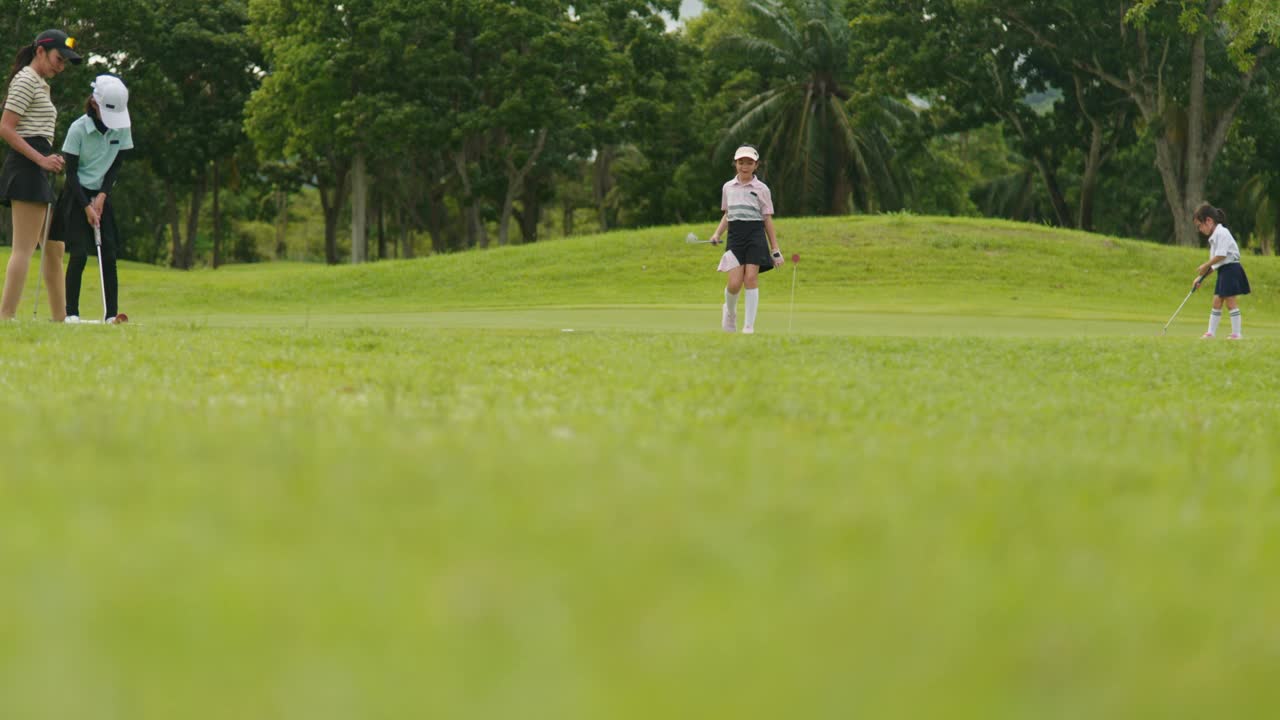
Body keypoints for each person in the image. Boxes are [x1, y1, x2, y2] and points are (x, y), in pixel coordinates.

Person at [0, 29, 81, 320]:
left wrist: (47, 158)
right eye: (58, 59)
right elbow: (6, 128)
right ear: (40, 52)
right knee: (23, 248)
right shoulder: (26, 80)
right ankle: (5, 318)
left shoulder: (40, 83)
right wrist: (41, 160)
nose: (60, 66)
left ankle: (61, 319)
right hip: (26, 167)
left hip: (37, 162)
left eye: (64, 62)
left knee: (54, 246)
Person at [51, 73, 133, 323]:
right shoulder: (78, 129)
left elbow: (116, 165)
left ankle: (111, 315)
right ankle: (72, 313)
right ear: (95, 104)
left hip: (101, 194)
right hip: (76, 195)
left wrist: (102, 196)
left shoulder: (122, 127)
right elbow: (71, 173)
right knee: (78, 254)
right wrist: (86, 205)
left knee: (108, 253)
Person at [709, 145, 781, 334]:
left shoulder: (762, 189)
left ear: (756, 165)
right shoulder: (728, 187)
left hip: (755, 235)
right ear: (735, 164)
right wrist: (717, 234)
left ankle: (748, 326)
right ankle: (730, 312)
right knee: (733, 283)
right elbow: (728, 214)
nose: (745, 166)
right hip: (735, 237)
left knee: (750, 278)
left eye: (749, 163)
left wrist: (775, 249)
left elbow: (767, 219)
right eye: (741, 162)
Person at [1193, 202, 1250, 339]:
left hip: (1231, 269)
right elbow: (1215, 264)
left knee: (1230, 301)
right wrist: (1200, 278)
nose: (1199, 229)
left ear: (1209, 221)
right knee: (1217, 301)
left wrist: (1205, 265)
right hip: (1224, 270)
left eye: (1199, 226)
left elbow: (1221, 256)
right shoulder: (1213, 238)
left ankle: (1236, 334)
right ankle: (1210, 333)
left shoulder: (1222, 233)